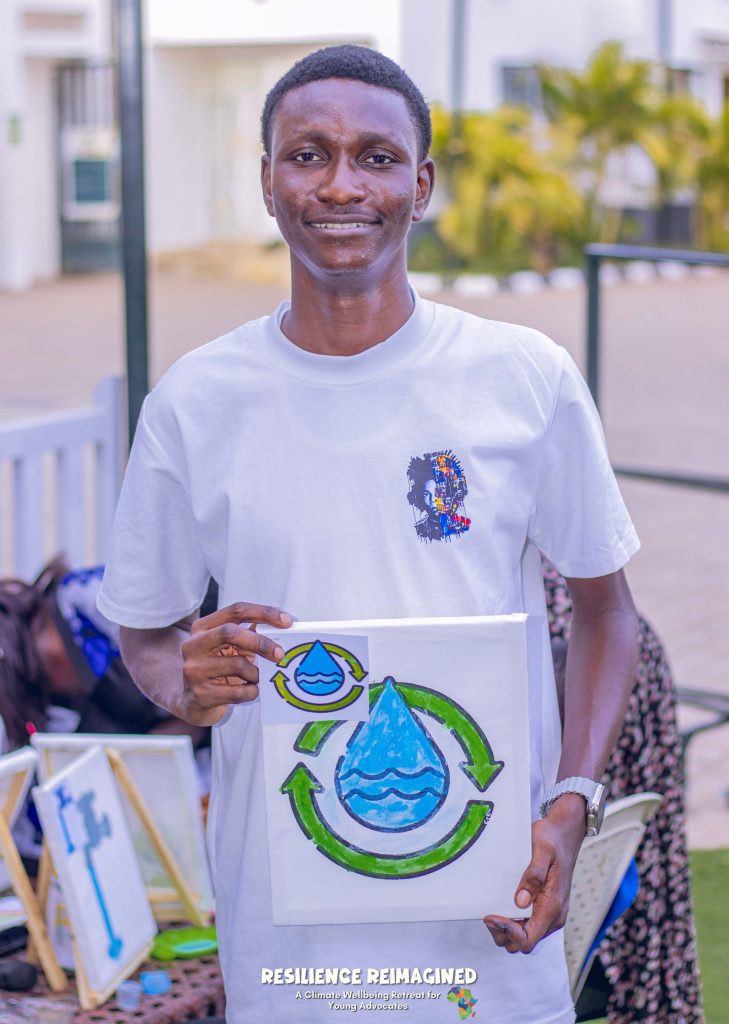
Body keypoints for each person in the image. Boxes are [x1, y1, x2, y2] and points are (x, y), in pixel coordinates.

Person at [98, 45, 641, 1024]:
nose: (342, 183)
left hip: (493, 931)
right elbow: (143, 632)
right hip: (294, 948)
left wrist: (570, 808)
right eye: (307, 154)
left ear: (421, 184)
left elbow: (608, 613)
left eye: (377, 156)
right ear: (267, 181)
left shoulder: (525, 377)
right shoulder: (194, 402)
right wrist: (182, 671)